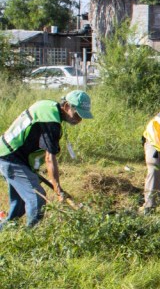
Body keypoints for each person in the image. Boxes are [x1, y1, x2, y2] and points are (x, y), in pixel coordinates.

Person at [0, 90, 92, 229]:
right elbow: (50, 158)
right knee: (37, 198)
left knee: (19, 205)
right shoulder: (50, 119)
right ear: (67, 106)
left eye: (82, 116)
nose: (79, 119)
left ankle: (6, 230)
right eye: (77, 114)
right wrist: (57, 187)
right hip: (11, 158)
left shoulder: (48, 108)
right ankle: (31, 239)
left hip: (14, 157)